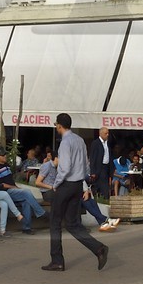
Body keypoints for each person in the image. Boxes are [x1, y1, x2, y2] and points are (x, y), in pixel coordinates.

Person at [44, 113, 108, 272]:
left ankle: (57, 260)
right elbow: (85, 166)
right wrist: (85, 187)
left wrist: (56, 184)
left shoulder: (65, 143)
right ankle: (98, 248)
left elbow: (64, 167)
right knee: (72, 224)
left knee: (55, 222)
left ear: (59, 125)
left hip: (66, 185)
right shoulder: (79, 140)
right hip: (78, 185)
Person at [0, 146, 43, 232]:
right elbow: (1, 185)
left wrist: (16, 187)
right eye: (2, 155)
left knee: (26, 201)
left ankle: (26, 228)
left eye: (5, 154)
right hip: (5, 192)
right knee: (26, 193)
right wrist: (14, 187)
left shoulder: (7, 166)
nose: (5, 156)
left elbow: (11, 180)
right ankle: (40, 212)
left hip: (13, 190)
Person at [88, 126, 114, 199]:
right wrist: (92, 171)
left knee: (104, 186)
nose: (107, 135)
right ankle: (102, 199)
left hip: (106, 167)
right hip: (99, 168)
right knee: (102, 186)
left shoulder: (107, 143)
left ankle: (103, 199)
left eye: (108, 133)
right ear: (101, 134)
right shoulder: (95, 143)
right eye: (106, 133)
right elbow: (92, 158)